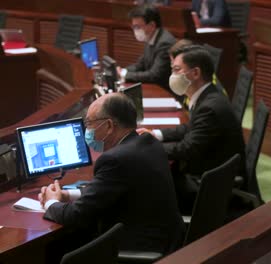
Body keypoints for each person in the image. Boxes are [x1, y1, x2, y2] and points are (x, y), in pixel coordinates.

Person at [38, 93, 184, 254]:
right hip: (167, 239)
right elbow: (106, 190)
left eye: (89, 123)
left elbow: (76, 215)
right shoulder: (148, 142)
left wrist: (50, 203)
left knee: (56, 250)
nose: (87, 130)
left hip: (138, 247)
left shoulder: (115, 160)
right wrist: (67, 194)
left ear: (109, 126)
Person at [137, 45, 245, 214]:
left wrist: (149, 147)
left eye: (177, 70)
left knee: (148, 183)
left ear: (195, 73)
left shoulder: (209, 106)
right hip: (210, 169)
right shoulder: (207, 95)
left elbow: (188, 149)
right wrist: (156, 135)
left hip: (208, 183)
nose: (172, 75)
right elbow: (190, 127)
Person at [119, 5, 176, 91]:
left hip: (165, 91)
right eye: (133, 27)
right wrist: (123, 71)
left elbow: (155, 75)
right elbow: (141, 65)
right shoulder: (151, 37)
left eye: (137, 27)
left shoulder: (165, 43)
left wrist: (125, 75)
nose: (135, 30)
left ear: (152, 25)